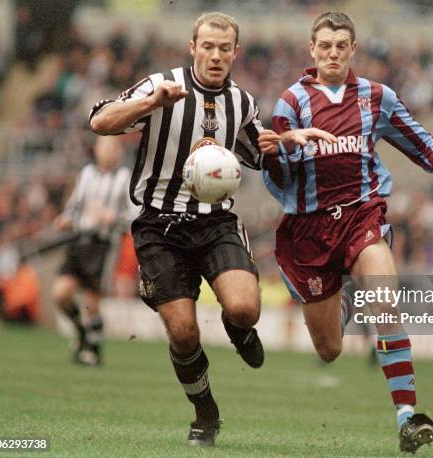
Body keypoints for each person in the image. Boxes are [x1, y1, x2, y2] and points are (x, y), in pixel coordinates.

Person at [89, 12, 332, 447]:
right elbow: (100, 121)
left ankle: (239, 330)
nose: (216, 55)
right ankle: (205, 411)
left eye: (225, 49)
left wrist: (289, 140)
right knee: (183, 333)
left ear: (235, 52)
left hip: (215, 220)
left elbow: (259, 148)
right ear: (193, 47)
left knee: (245, 308)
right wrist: (150, 103)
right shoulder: (161, 85)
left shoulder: (240, 102)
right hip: (158, 225)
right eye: (208, 47)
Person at [258, 11, 433, 454]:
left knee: (386, 303)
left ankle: (407, 418)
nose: (333, 53)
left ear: (353, 49)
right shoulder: (291, 103)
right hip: (310, 232)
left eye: (341, 46)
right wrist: (283, 147)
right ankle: (344, 295)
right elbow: (275, 169)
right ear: (312, 51)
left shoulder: (377, 96)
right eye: (325, 46)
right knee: (330, 349)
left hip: (360, 217)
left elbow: (414, 134)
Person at [52, 135, 132, 366]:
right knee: (61, 294)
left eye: (112, 147)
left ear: (119, 151)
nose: (107, 151)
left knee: (91, 302)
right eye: (103, 146)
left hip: (103, 246)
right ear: (96, 150)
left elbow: (134, 216)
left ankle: (93, 350)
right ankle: (81, 333)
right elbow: (75, 205)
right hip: (79, 242)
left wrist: (113, 218)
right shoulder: (86, 173)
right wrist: (65, 218)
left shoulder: (125, 178)